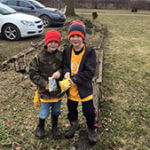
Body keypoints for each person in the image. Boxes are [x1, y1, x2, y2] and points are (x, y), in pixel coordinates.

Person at [62, 20, 98, 145]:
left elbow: (90, 72)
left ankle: (92, 128)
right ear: (69, 37)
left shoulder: (89, 52)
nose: (75, 39)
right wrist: (66, 72)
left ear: (83, 37)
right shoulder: (67, 51)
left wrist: (74, 79)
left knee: (88, 111)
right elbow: (65, 65)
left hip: (84, 88)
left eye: (78, 36)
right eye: (72, 36)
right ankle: (74, 124)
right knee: (71, 109)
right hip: (71, 89)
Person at [29, 30, 63, 139]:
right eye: (51, 41)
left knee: (56, 110)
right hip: (44, 92)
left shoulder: (61, 56)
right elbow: (32, 73)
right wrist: (44, 84)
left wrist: (60, 72)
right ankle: (40, 126)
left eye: (56, 42)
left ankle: (55, 127)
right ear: (46, 43)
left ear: (59, 43)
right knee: (44, 112)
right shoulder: (38, 58)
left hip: (58, 91)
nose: (53, 44)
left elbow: (65, 68)